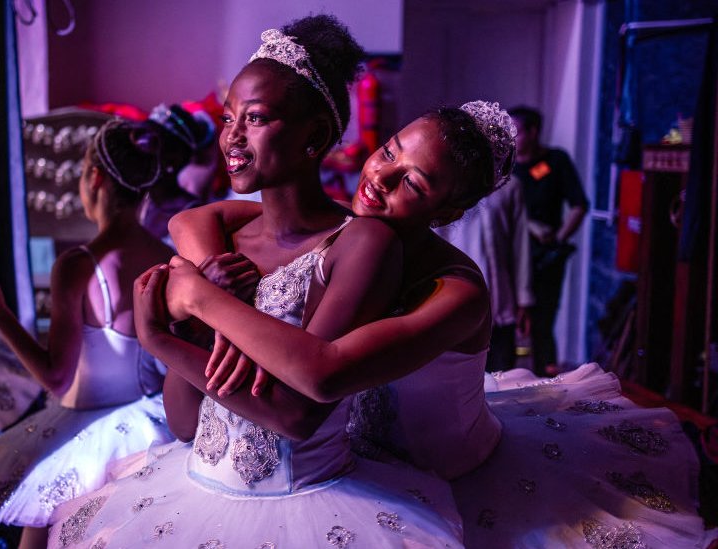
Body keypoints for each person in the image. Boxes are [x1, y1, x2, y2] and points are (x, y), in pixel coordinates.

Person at [161, 102, 709, 546]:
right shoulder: (348, 230)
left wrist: (201, 305)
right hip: (355, 467)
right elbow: (191, 219)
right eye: (386, 153)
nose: (380, 178)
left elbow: (325, 373)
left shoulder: (456, 292)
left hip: (451, 475)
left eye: (413, 184)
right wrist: (211, 283)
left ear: (445, 213)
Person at [43, 15, 468, 548]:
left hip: (309, 505)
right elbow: (184, 424)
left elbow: (296, 414)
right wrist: (189, 331)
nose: (232, 137)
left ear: (314, 135)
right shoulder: (226, 246)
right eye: (228, 118)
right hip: (196, 494)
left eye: (257, 118)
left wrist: (164, 334)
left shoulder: (360, 244)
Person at [0, 120, 176, 543]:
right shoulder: (171, 259)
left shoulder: (78, 265)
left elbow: (56, 376)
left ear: (94, 177)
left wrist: (0, 314)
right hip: (151, 429)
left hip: (85, 434)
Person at [509, 106, 589, 376]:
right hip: (513, 257)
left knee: (543, 322)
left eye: (516, 132)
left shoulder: (555, 161)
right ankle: (508, 378)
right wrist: (529, 227)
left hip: (546, 258)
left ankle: (546, 379)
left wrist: (558, 239)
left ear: (533, 132)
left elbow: (579, 205)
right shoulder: (505, 167)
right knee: (510, 322)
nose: (511, 138)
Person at [434, 171, 534, 372]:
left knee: (504, 377)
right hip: (457, 307)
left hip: (501, 305)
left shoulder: (511, 187)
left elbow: (520, 245)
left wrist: (524, 299)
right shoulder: (447, 182)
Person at [137, 103, 217, 247]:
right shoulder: (142, 199)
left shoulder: (190, 212)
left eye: (150, 144)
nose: (139, 152)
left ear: (174, 159)